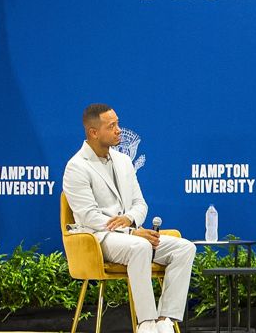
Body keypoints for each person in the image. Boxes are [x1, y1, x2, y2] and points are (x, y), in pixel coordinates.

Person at [62, 104, 196, 333]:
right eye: (111, 126)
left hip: (131, 234)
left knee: (184, 248)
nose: (119, 130)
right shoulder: (76, 167)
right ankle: (146, 323)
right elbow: (89, 216)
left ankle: (165, 320)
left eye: (118, 124)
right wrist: (132, 232)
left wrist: (130, 220)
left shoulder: (123, 161)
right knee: (141, 247)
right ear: (93, 132)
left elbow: (140, 204)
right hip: (98, 240)